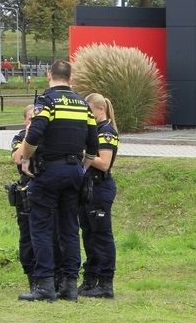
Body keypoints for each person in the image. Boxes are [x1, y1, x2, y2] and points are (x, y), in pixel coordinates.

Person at [17, 60, 99, 301]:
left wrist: (24, 159)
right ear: (70, 78)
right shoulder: (83, 105)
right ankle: (70, 285)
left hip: (49, 172)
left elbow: (34, 133)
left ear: (49, 75)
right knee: (70, 228)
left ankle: (44, 286)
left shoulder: (47, 101)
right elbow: (93, 145)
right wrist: (82, 168)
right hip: (74, 172)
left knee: (41, 228)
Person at [78, 93, 119, 299]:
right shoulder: (92, 130)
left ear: (100, 109)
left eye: (90, 111)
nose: (88, 116)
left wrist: (83, 152)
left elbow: (104, 163)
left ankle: (105, 282)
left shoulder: (106, 132)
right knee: (88, 234)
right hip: (87, 188)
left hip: (100, 188)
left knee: (101, 236)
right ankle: (90, 278)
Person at [9, 104, 37, 290]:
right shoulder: (20, 137)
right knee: (27, 237)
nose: (33, 123)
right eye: (30, 120)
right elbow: (18, 158)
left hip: (45, 188)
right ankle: (32, 277)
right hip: (26, 190)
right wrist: (29, 135)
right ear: (24, 121)